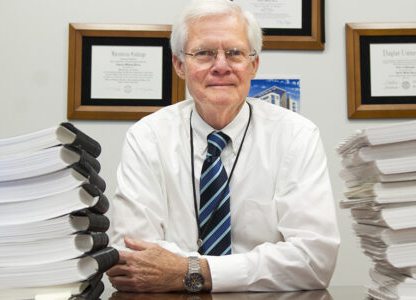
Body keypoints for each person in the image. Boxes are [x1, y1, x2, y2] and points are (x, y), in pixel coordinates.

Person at [106, 0, 340, 293]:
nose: (220, 66)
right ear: (180, 65)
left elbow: (314, 261)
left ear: (253, 64)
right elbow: (131, 258)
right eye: (203, 53)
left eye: (235, 53)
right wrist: (257, 266)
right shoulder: (146, 137)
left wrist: (192, 272)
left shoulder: (297, 136)